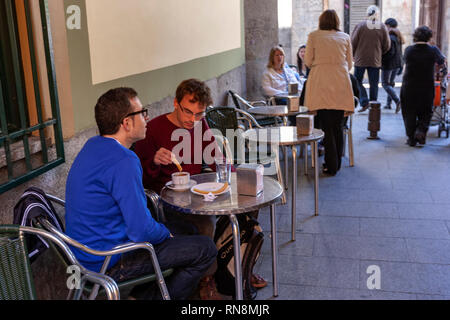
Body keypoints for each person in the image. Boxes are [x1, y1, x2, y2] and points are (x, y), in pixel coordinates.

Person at [65, 87, 217, 300]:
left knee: (189, 229)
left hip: (83, 252)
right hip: (108, 260)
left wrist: (166, 232)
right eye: (142, 113)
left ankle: (141, 295)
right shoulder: (123, 160)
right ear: (126, 123)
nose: (146, 118)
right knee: (206, 249)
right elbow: (141, 230)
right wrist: (166, 234)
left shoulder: (93, 146)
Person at [134, 79, 267, 298]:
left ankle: (239, 269)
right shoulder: (154, 129)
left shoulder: (199, 124)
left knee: (248, 207)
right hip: (166, 202)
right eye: (188, 112)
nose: (192, 119)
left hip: (199, 194)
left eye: (199, 114)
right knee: (205, 223)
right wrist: (155, 162)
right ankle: (207, 279)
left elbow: (215, 156)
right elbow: (140, 180)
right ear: (176, 103)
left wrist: (236, 178)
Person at [304, 9, 355, 176]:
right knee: (338, 125)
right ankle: (336, 163)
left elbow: (308, 61)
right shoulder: (345, 37)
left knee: (326, 125)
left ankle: (331, 165)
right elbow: (349, 64)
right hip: (341, 81)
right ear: (337, 21)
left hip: (321, 82)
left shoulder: (314, 36)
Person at [400, 26, 447, 147]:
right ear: (429, 37)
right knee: (426, 111)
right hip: (426, 86)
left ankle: (411, 138)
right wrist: (438, 68)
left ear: (415, 36)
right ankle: (421, 131)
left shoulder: (409, 50)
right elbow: (442, 62)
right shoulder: (433, 50)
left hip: (409, 86)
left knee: (408, 112)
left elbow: (405, 61)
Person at [351, 5, 391, 112]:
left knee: (357, 80)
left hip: (360, 59)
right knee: (374, 83)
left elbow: (353, 42)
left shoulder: (360, 25)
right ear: (377, 14)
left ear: (367, 14)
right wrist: (379, 52)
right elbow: (387, 45)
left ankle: (364, 101)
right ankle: (374, 105)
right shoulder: (382, 26)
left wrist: (353, 54)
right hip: (375, 60)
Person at [381, 18, 404, 113]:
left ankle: (397, 101)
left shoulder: (390, 37)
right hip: (396, 63)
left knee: (385, 84)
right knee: (390, 83)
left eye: (385, 25)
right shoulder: (398, 35)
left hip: (389, 64)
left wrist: (382, 59)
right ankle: (388, 104)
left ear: (388, 26)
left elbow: (391, 52)